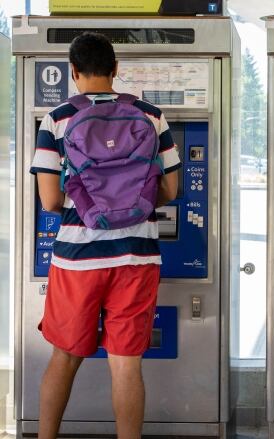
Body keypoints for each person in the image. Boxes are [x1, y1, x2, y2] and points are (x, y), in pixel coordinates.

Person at [30, 32, 181, 439]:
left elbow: (48, 200)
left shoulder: (57, 118)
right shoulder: (151, 115)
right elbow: (170, 191)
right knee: (126, 362)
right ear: (116, 70)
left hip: (77, 260)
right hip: (137, 257)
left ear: (73, 72)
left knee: (64, 356)